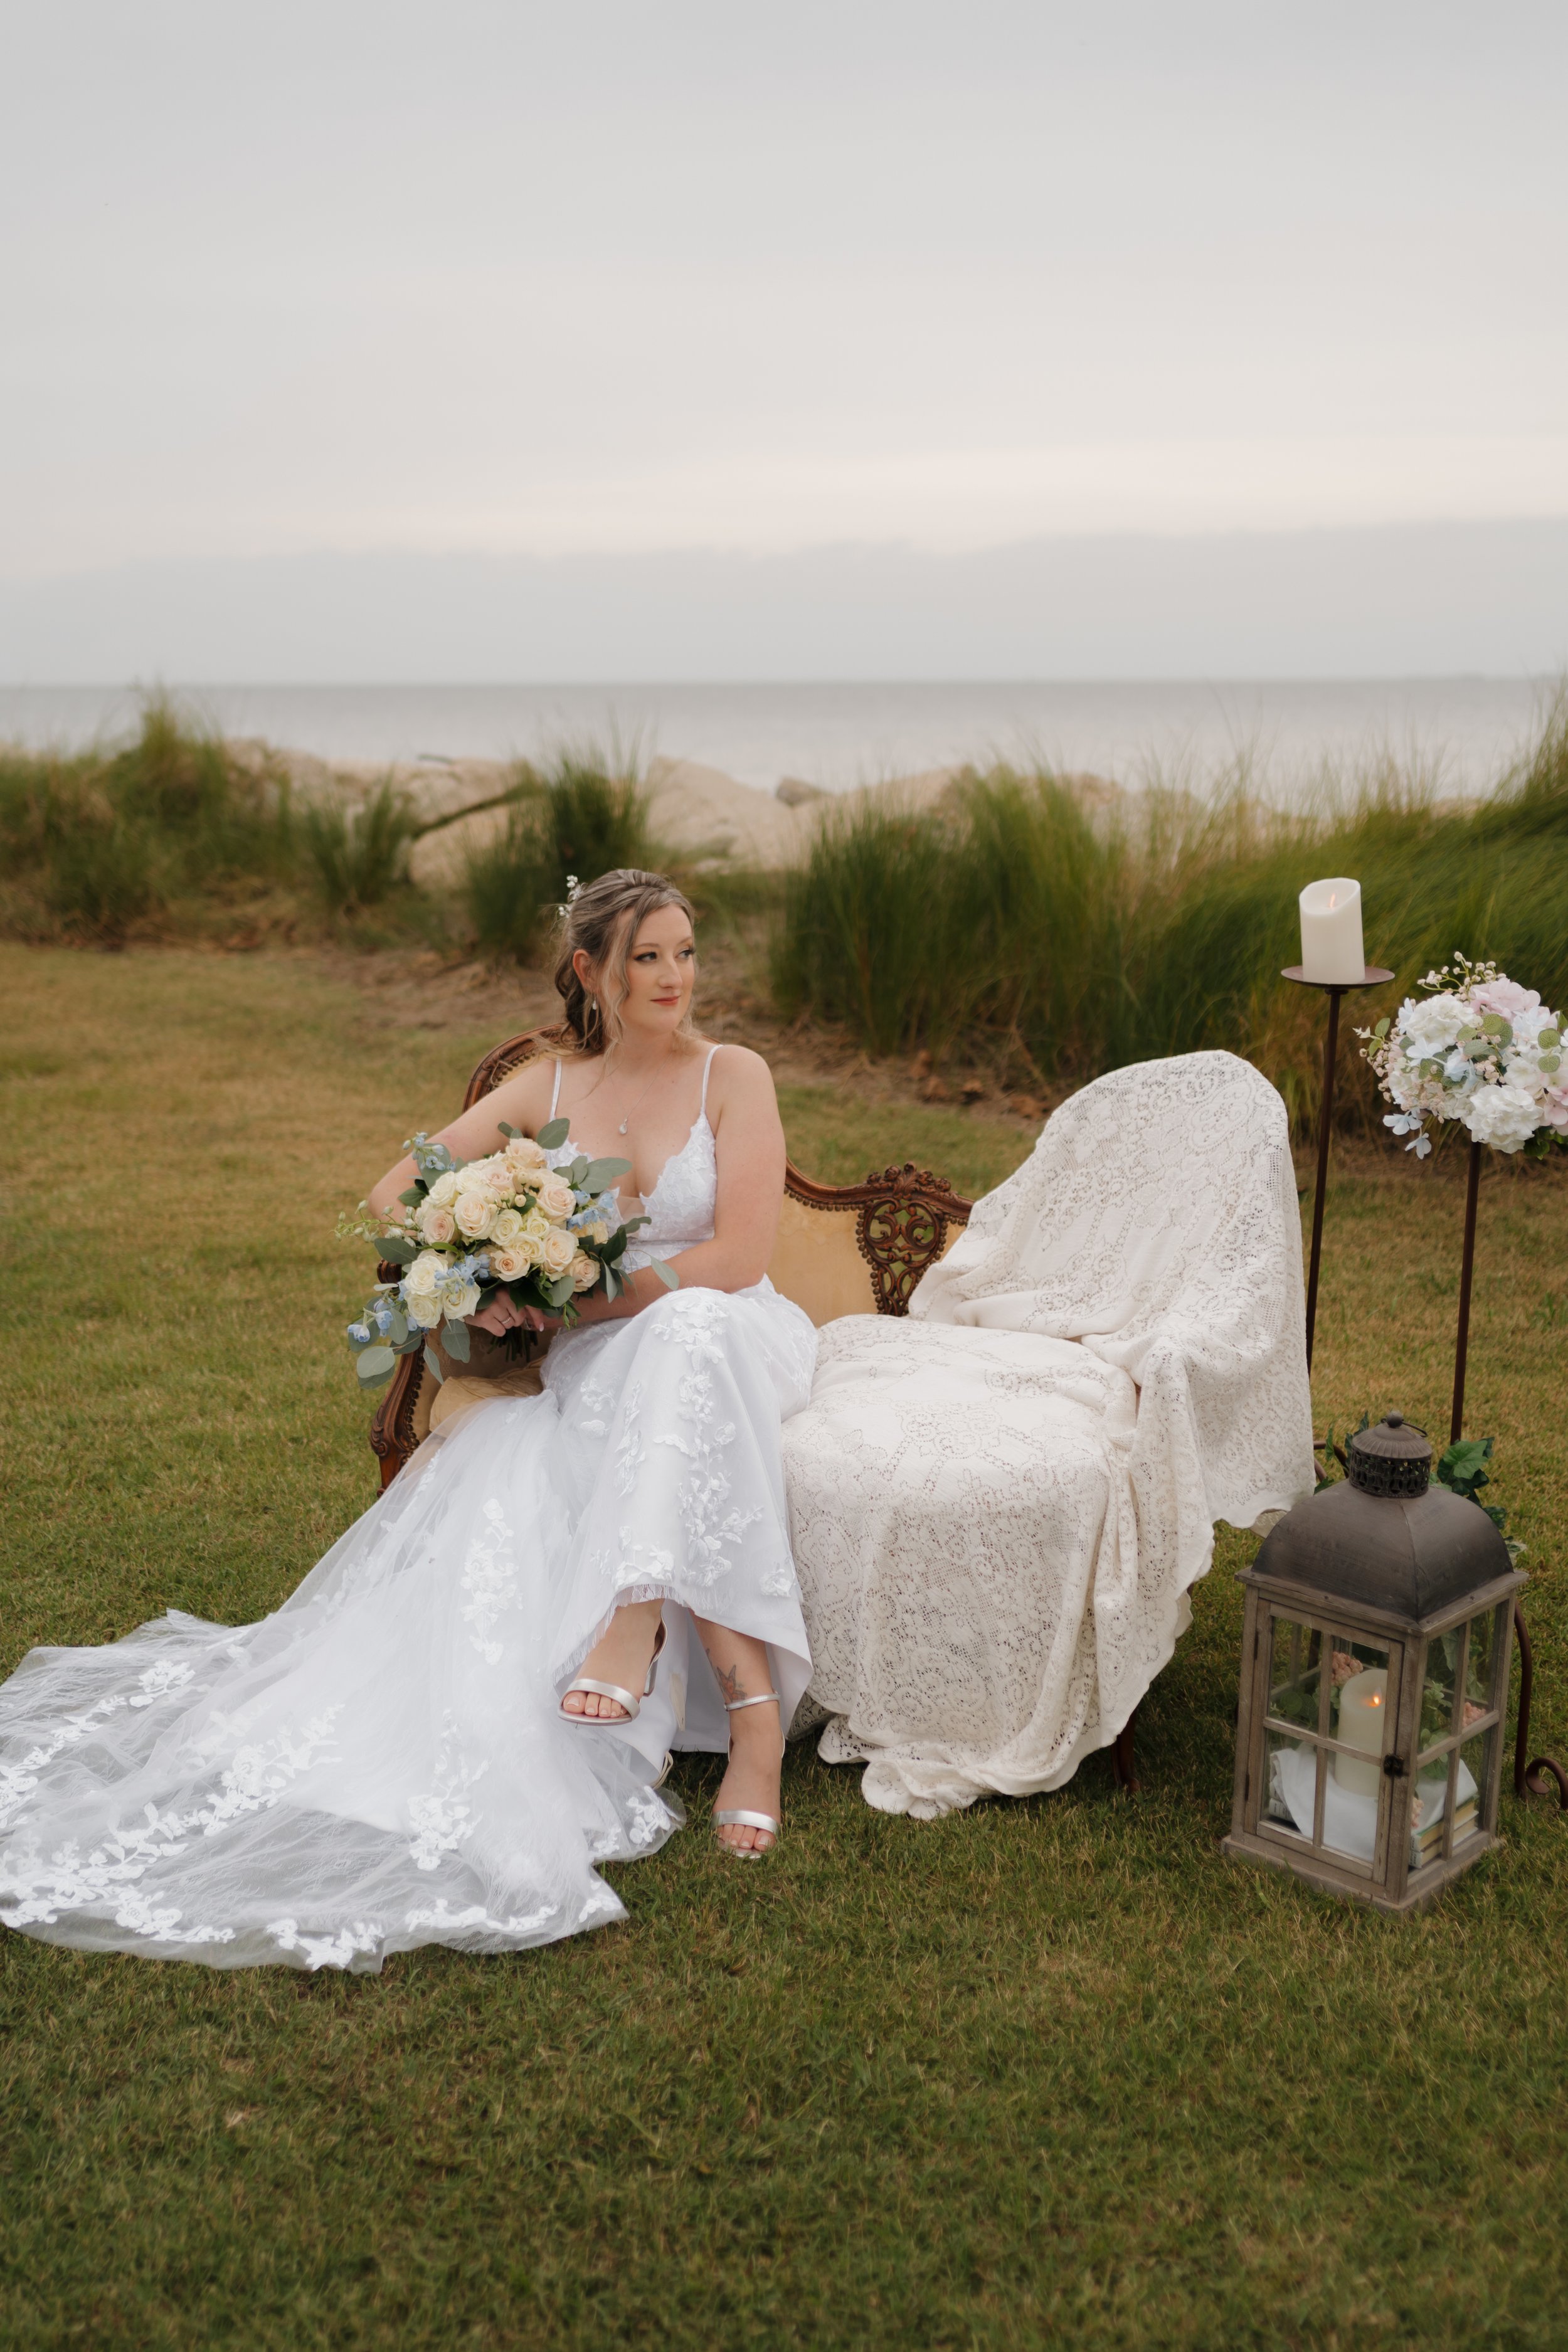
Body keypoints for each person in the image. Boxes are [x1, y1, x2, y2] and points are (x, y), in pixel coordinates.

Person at [0, 871, 818, 1971]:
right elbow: (399, 1192)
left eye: (685, 952)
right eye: (649, 958)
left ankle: (643, 1619)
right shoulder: (549, 1084)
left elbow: (738, 1259)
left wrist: (575, 1293)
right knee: (659, 1355)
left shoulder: (735, 1074)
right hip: (604, 1363)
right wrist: (488, 1269)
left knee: (688, 1333)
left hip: (733, 1333)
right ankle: (752, 1719)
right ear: (592, 971)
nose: (675, 977)